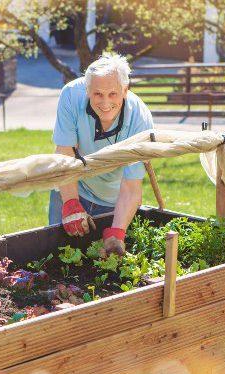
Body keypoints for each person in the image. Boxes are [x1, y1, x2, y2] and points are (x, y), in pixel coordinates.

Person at [48, 53, 153, 257]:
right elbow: (65, 154)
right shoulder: (70, 95)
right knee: (57, 258)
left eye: (113, 94)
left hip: (113, 199)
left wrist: (117, 231)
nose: (105, 103)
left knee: (103, 263)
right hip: (72, 185)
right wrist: (70, 202)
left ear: (125, 90)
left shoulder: (140, 118)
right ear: (87, 90)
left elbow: (132, 185)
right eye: (97, 94)